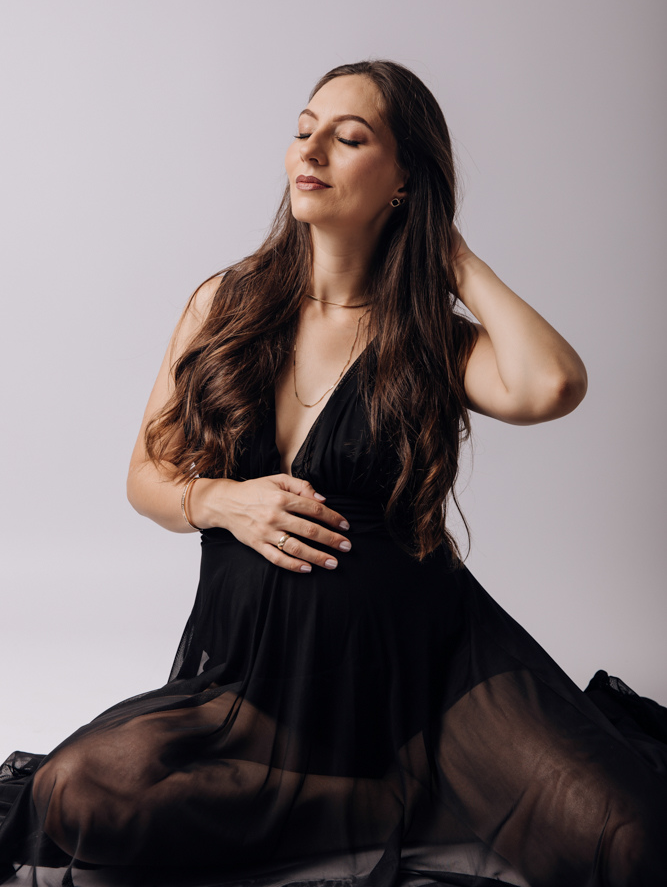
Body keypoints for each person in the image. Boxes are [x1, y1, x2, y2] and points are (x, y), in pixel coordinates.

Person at [0, 59, 665, 887]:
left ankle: (412, 775)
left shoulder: (430, 336)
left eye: (348, 138)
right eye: (303, 129)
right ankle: (390, 800)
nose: (310, 151)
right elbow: (146, 476)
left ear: (402, 181)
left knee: (629, 845)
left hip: (430, 670)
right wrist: (219, 501)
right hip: (259, 674)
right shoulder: (224, 304)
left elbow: (552, 385)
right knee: (79, 797)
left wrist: (450, 255)